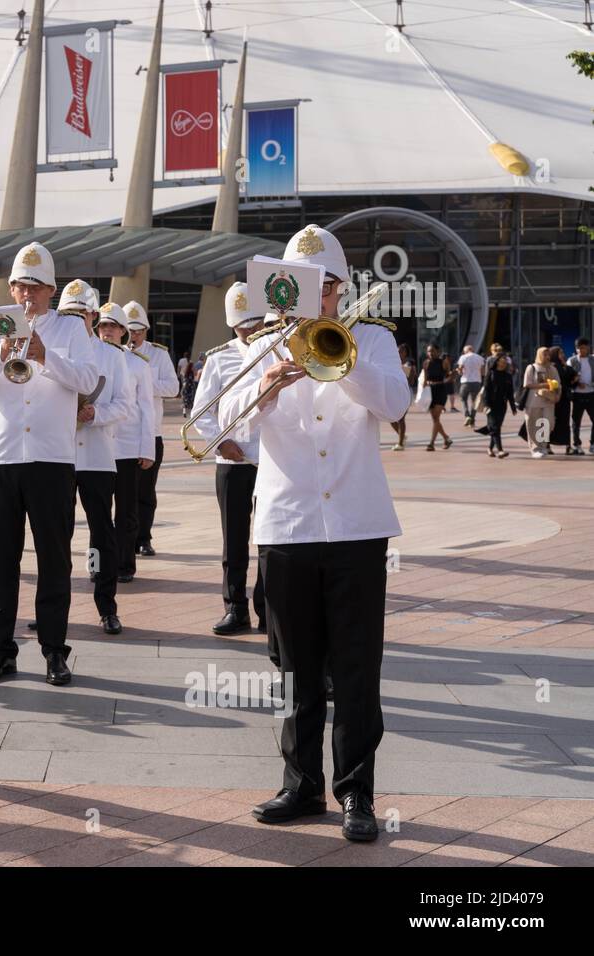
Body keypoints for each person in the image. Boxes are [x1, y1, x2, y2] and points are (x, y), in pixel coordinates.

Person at [223, 224, 409, 843]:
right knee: (296, 667)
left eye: (327, 286)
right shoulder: (259, 346)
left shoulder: (373, 340)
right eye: (305, 286)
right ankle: (301, 783)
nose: (317, 297)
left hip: (357, 526)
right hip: (288, 523)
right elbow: (229, 429)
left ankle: (356, 791)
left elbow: (395, 403)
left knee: (357, 668)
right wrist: (268, 385)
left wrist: (333, 363)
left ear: (340, 288)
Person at [0, 242, 99, 688]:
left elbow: (88, 380)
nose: (27, 296)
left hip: (51, 458)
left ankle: (54, 651)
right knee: (2, 560)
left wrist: (46, 355)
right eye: (20, 287)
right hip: (3, 456)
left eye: (35, 288)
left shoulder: (71, 330)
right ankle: (0, 651)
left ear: (51, 290)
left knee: (53, 558)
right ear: (10, 288)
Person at [191, 282, 266, 637]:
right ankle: (235, 608)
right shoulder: (219, 358)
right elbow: (201, 412)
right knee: (233, 539)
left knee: (271, 540)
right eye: (243, 327)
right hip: (233, 464)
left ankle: (269, 606)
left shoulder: (277, 351)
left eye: (255, 324)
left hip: (272, 462)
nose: (250, 332)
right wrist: (221, 443)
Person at [59, 283, 131, 634]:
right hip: (58, 456)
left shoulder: (112, 356)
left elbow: (124, 404)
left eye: (82, 314)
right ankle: (55, 607)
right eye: (68, 315)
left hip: (99, 457)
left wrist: (95, 414)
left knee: (102, 535)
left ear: (93, 315)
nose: (76, 321)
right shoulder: (53, 351)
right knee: (56, 535)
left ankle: (107, 606)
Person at [96, 302, 154, 590]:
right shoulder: (89, 358)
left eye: (113, 327)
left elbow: (146, 408)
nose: (107, 331)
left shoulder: (138, 364)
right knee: (97, 514)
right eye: (103, 326)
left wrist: (147, 449)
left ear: (123, 331)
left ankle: (124, 565)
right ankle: (96, 565)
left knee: (126, 513)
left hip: (128, 448)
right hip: (95, 447)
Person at [125, 301, 179, 557]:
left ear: (146, 330)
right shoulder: (116, 353)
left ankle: (144, 538)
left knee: (146, 491)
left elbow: (173, 387)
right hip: (122, 434)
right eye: (129, 330)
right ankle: (125, 538)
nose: (133, 335)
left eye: (138, 331)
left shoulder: (158, 354)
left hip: (150, 432)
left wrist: (144, 383)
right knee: (123, 492)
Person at [522, 346, 559, 458]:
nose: (547, 357)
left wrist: (555, 388)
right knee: (533, 424)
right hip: (533, 401)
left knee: (547, 423)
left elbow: (558, 383)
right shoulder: (531, 367)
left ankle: (543, 446)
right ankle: (535, 448)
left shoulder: (552, 368)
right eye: (544, 354)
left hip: (548, 400)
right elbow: (527, 384)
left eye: (548, 355)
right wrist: (543, 385)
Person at [480, 352, 516, 458]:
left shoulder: (508, 376)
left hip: (502, 405)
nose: (504, 361)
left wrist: (513, 407)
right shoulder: (490, 373)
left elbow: (510, 392)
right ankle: (500, 450)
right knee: (495, 427)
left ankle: (490, 448)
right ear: (497, 362)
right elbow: (486, 390)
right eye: (502, 359)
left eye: (505, 360)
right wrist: (486, 404)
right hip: (491, 404)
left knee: (496, 427)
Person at [421, 344, 452, 451]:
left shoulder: (444, 362)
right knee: (435, 419)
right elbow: (424, 379)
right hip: (430, 391)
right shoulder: (426, 363)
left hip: (440, 390)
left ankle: (431, 444)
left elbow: (449, 377)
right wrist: (423, 391)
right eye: (429, 351)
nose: (430, 353)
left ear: (438, 351)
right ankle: (446, 438)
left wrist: (451, 377)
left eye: (433, 351)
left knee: (436, 417)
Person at [550, 346, 576, 455]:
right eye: (560, 353)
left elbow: (571, 378)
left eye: (562, 353)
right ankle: (545, 446)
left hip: (564, 398)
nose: (563, 355)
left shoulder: (564, 366)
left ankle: (568, 446)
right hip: (553, 399)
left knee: (565, 422)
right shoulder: (551, 367)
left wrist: (575, 378)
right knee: (550, 422)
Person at [389, 342, 414, 450]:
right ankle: (402, 435)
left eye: (401, 351)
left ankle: (400, 444)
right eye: (398, 351)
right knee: (391, 417)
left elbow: (410, 381)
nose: (398, 353)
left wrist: (410, 373)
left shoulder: (409, 364)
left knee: (401, 418)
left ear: (405, 353)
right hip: (394, 392)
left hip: (405, 392)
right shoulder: (393, 362)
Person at [570, 338, 593, 454]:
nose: (580, 350)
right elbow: (568, 377)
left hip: (591, 394)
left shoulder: (592, 360)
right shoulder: (572, 361)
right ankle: (577, 445)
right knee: (576, 421)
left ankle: (592, 443)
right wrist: (577, 383)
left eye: (583, 347)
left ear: (588, 348)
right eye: (578, 348)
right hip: (577, 395)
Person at [456, 344, 485, 428]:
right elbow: (483, 372)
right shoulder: (480, 358)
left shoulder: (463, 357)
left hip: (466, 382)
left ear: (466, 350)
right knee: (475, 401)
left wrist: (459, 371)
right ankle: (472, 418)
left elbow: (460, 369)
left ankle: (467, 416)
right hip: (477, 382)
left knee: (463, 399)